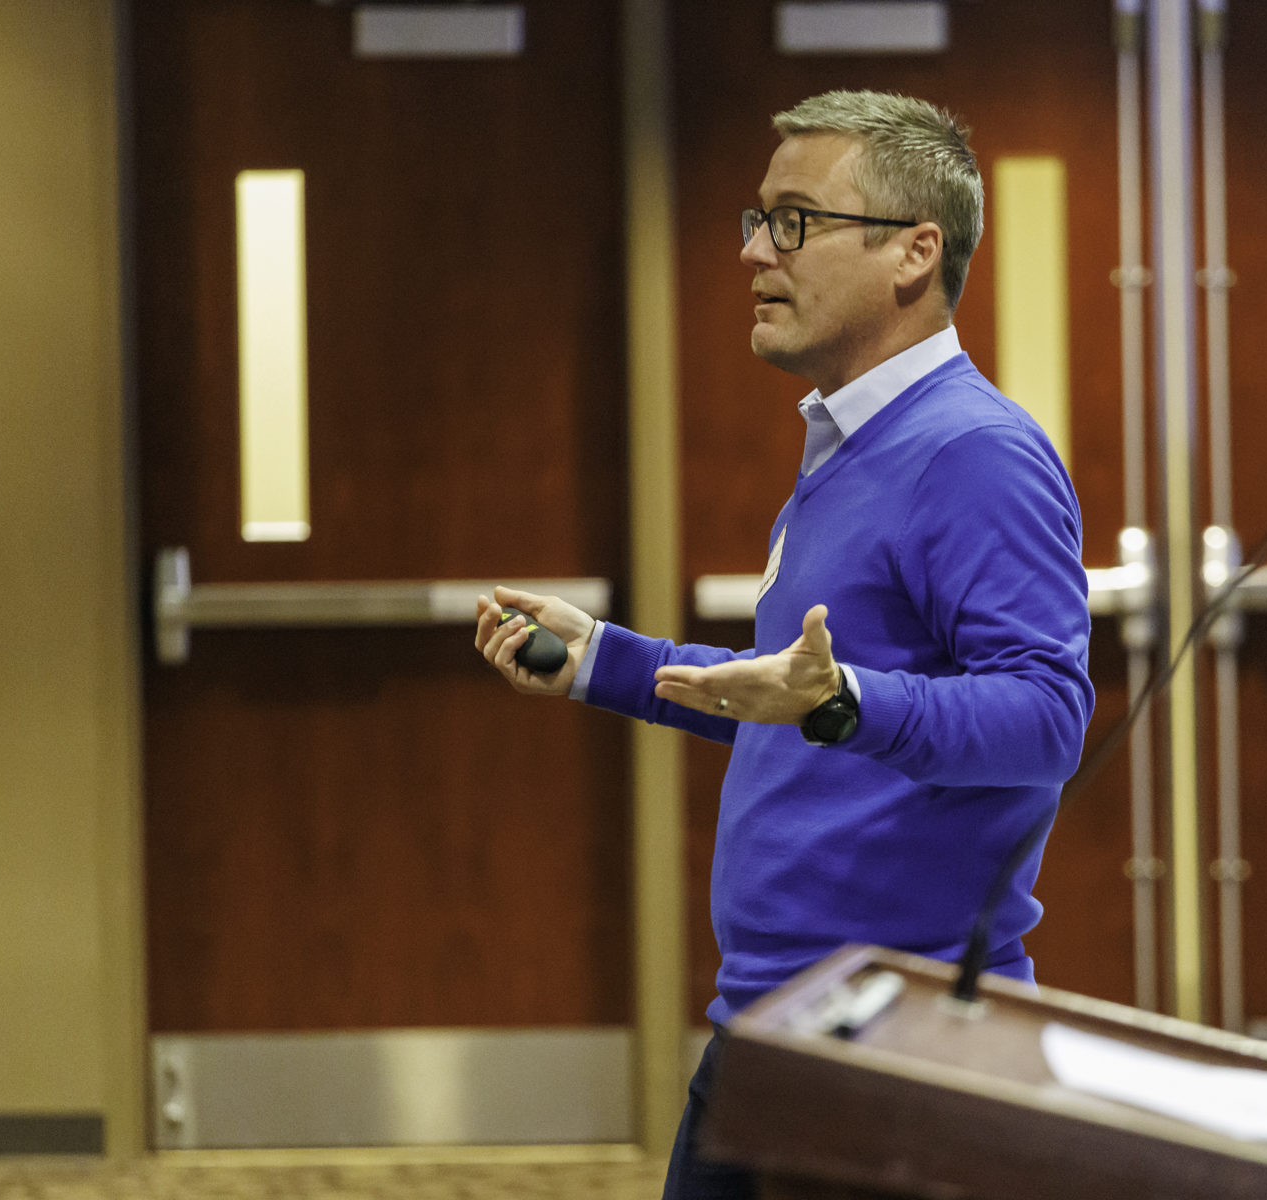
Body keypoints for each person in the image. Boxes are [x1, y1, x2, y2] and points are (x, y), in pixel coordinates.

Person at [474, 90, 1094, 1200]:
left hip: (893, 1049)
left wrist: (846, 699)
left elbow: (1046, 718)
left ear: (914, 252)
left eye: (796, 221)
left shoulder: (972, 453)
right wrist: (607, 661)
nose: (758, 252)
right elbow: (795, 699)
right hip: (777, 1020)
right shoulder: (846, 445)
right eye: (757, 220)